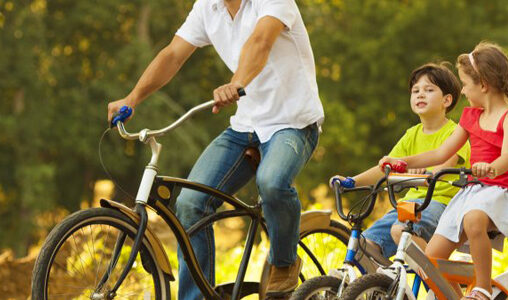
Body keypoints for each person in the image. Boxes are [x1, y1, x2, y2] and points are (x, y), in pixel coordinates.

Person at [105, 0, 324, 298]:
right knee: (190, 204)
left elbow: (261, 41)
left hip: (293, 122)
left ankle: (284, 263)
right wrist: (132, 99)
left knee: (272, 183)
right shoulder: (208, 7)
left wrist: (236, 83)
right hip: (245, 125)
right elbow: (172, 55)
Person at [379, 42, 508, 300]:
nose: (462, 89)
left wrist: (490, 168)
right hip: (473, 192)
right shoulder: (470, 116)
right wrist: (403, 161)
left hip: (502, 191)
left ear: (483, 84)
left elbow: (507, 157)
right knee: (431, 259)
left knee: (474, 219)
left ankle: (482, 288)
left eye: (465, 83)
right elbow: (440, 153)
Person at [331, 63, 470, 264]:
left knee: (400, 231)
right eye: (415, 91)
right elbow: (384, 169)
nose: (420, 94)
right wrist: (351, 182)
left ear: (446, 100)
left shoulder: (454, 134)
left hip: (440, 205)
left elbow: (441, 168)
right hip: (408, 206)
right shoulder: (411, 135)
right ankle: (389, 285)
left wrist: (424, 173)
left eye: (429, 90)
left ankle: (442, 283)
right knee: (363, 245)